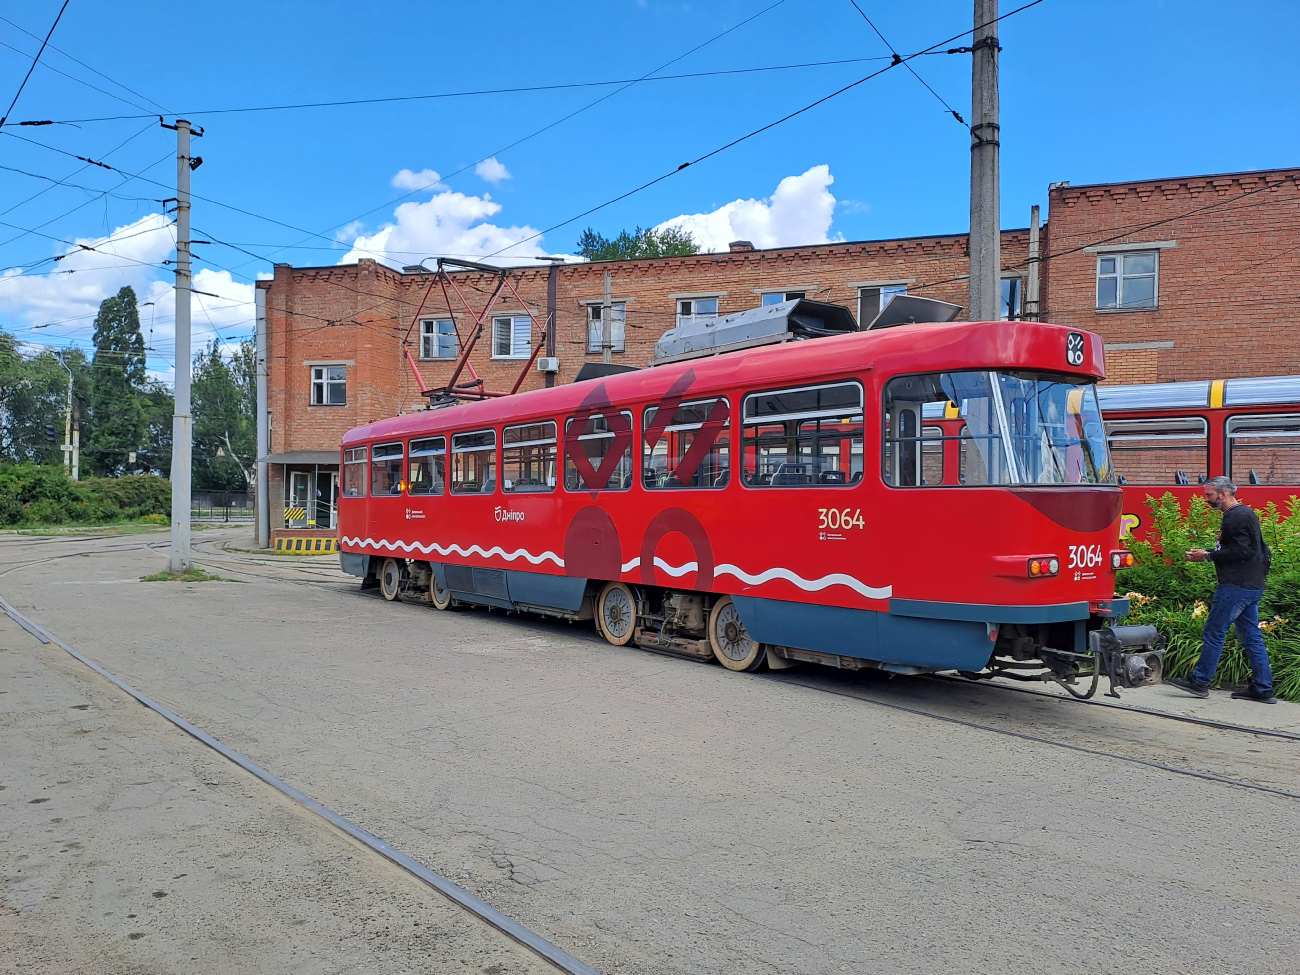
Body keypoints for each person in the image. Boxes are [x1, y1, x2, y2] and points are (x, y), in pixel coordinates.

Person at [1167, 475, 1276, 704]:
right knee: (1251, 636)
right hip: (1252, 585)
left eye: (1209, 495)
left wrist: (1207, 556)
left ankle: (1199, 682)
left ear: (1223, 493)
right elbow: (1256, 550)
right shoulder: (1244, 513)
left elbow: (1242, 552)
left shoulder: (1234, 517)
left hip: (1235, 586)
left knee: (1214, 631)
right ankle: (1263, 688)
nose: (1207, 499)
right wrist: (1208, 553)